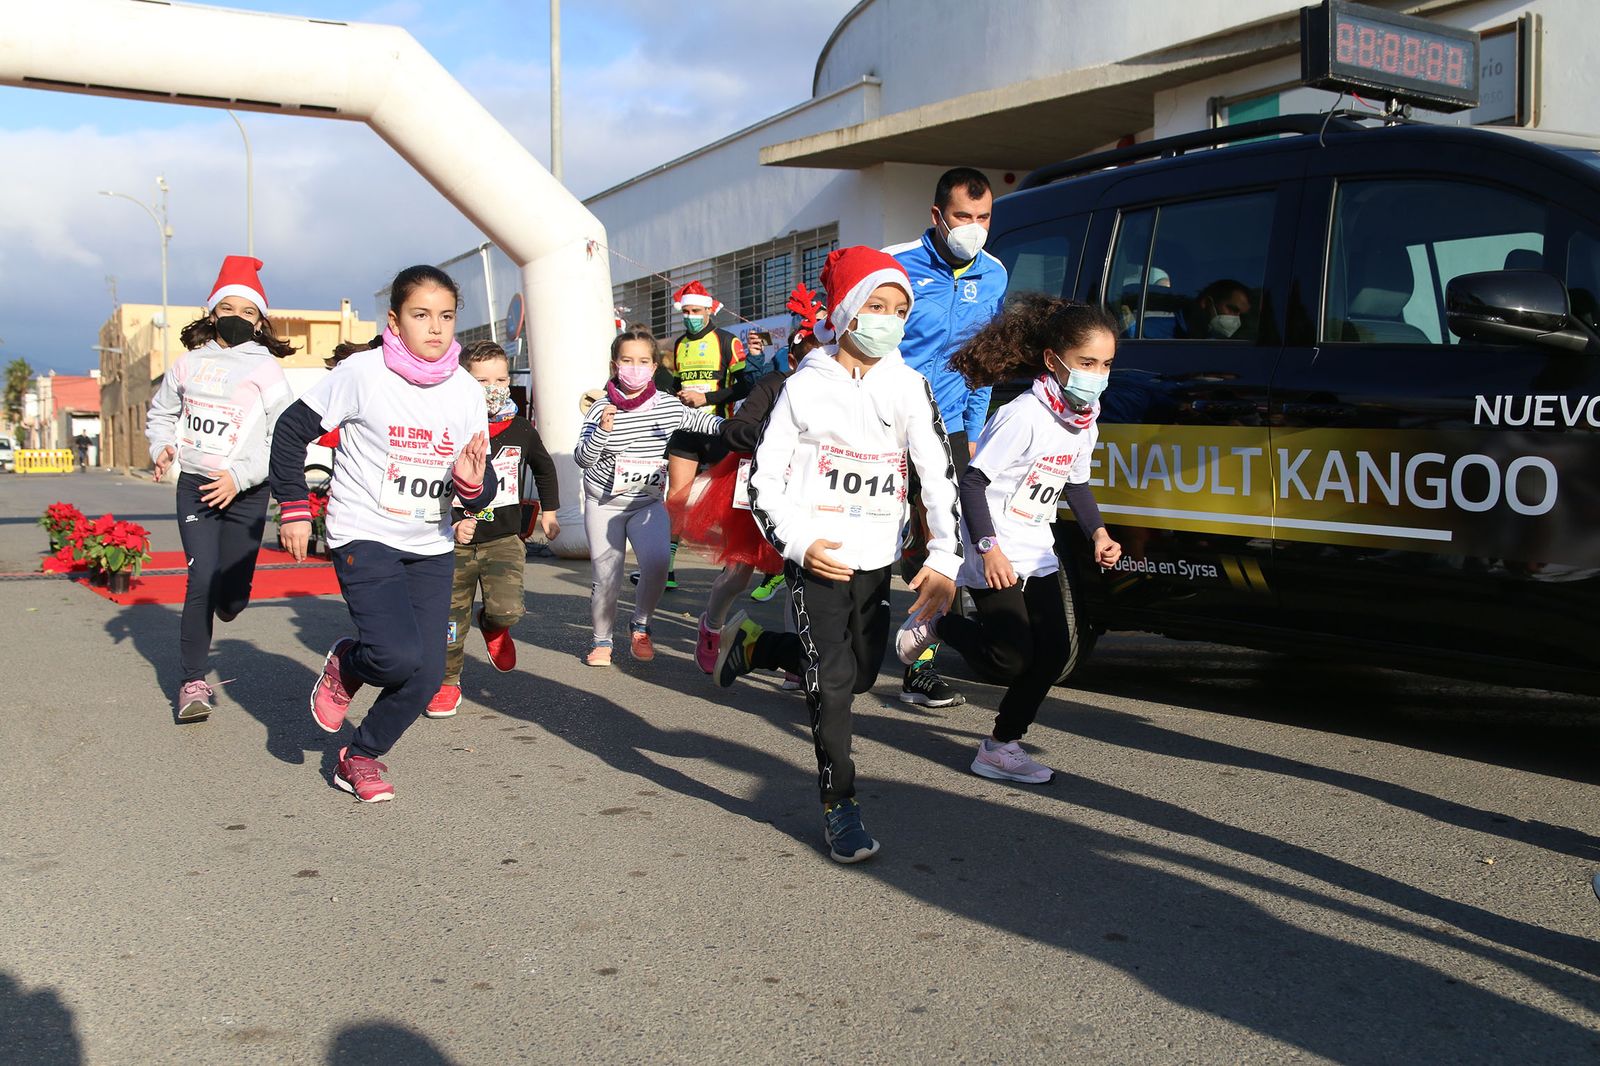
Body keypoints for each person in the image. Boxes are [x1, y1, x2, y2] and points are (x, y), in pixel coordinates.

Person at [714, 246, 960, 864]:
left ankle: (758, 648)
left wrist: (945, 557)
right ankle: (839, 806)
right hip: (816, 558)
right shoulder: (802, 387)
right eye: (876, 305)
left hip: (877, 558)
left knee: (864, 673)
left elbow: (938, 473)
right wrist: (798, 543)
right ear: (847, 310)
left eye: (900, 310)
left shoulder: (909, 385)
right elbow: (764, 481)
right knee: (833, 685)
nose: (889, 320)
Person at [269, 265, 492, 802]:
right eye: (421, 315)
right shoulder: (363, 373)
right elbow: (290, 431)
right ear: (395, 320)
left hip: (430, 542)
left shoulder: (466, 390)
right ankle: (349, 664)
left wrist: (471, 486)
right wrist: (295, 507)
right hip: (364, 531)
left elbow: (479, 487)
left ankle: (361, 755)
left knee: (427, 674)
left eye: (446, 316)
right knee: (392, 657)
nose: (435, 328)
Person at [897, 295, 1123, 784]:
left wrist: (1098, 533)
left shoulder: (1084, 418)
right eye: (1086, 362)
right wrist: (988, 548)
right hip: (992, 542)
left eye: (1106, 364)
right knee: (1009, 657)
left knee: (1053, 653)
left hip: (1036, 545)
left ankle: (1000, 747)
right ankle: (939, 625)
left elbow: (1075, 483)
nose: (1097, 374)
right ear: (1053, 360)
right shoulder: (1024, 414)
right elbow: (973, 481)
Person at [146, 255, 297, 722]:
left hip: (246, 492)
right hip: (196, 487)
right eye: (227, 308)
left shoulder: (267, 370)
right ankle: (193, 683)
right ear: (212, 313)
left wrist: (239, 477)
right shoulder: (187, 365)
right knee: (201, 578)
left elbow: (282, 435)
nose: (236, 317)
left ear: (260, 322)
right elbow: (161, 413)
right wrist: (161, 447)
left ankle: (231, 599)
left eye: (247, 312)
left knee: (230, 600)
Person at [887, 166, 1008, 709]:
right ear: (937, 215)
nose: (974, 228)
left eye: (984, 217)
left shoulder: (995, 274)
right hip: (887, 427)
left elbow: (986, 361)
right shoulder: (895, 264)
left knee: (944, 544)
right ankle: (821, 647)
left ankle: (921, 665)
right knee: (873, 539)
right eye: (963, 216)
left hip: (953, 428)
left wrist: (974, 433)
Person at [683, 283, 825, 681]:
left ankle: (798, 659)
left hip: (807, 491)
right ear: (794, 359)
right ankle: (711, 627)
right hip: (758, 486)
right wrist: (776, 437)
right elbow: (735, 429)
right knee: (738, 573)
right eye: (810, 360)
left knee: (798, 573)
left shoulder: (837, 393)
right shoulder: (773, 384)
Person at [426, 340, 562, 719]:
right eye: (482, 381)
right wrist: (454, 521)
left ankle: (493, 626)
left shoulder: (520, 428)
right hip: (453, 542)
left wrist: (550, 512)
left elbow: (545, 468)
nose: (494, 387)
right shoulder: (448, 426)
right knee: (450, 622)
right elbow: (429, 481)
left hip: (503, 539)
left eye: (501, 379)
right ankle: (446, 683)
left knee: (508, 610)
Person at [577, 325, 722, 666]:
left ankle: (640, 626)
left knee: (657, 564)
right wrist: (602, 432)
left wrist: (747, 429)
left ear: (654, 367)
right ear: (615, 365)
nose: (635, 367)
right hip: (605, 504)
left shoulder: (667, 407)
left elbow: (708, 424)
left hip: (646, 502)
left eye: (643, 361)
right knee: (607, 577)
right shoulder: (601, 408)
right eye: (627, 360)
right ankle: (602, 641)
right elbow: (582, 458)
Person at [655, 281, 749, 590]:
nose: (690, 317)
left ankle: (728, 568)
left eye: (696, 311)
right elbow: (679, 382)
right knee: (676, 497)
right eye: (685, 312)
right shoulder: (681, 344)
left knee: (726, 502)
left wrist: (706, 399)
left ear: (709, 310)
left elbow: (744, 385)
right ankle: (667, 568)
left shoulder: (727, 341)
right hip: (686, 430)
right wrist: (675, 395)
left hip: (719, 429)